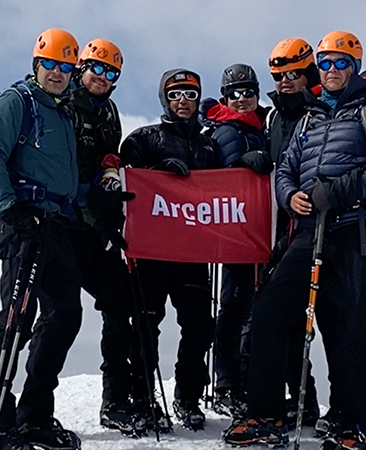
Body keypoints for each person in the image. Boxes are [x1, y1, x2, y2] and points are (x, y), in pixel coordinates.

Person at [224, 30, 366, 450]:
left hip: (361, 225)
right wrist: (291, 196)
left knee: (352, 323)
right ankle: (265, 412)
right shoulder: (311, 117)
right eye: (325, 63)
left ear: (355, 67)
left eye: (341, 63)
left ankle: (352, 423)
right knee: (271, 309)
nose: (332, 71)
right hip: (312, 227)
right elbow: (286, 168)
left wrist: (341, 189)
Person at [0, 28, 83, 450]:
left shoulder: (61, 111)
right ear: (37, 63)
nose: (57, 73)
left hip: (57, 226)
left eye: (65, 67)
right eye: (51, 64)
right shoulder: (15, 102)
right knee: (17, 321)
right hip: (23, 223)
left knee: (64, 317)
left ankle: (34, 418)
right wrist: (11, 210)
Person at [119, 69, 219, 431]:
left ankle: (188, 396)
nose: (183, 101)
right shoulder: (145, 137)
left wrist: (249, 166)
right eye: (175, 94)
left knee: (199, 326)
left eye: (190, 95)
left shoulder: (210, 145)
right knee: (146, 325)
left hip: (193, 252)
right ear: (165, 99)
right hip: (152, 251)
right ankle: (143, 397)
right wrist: (156, 169)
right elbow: (125, 174)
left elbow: (227, 189)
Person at [63, 38, 147, 437]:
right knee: (56, 320)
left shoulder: (109, 111)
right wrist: (89, 201)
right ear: (81, 68)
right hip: (63, 225)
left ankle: (115, 401)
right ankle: (25, 413)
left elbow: (107, 158)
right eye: (96, 68)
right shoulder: (64, 105)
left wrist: (113, 172)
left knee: (120, 308)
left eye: (111, 73)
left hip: (98, 227)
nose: (102, 77)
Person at [197, 63, 272, 419]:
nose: (242, 100)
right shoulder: (221, 130)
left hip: (263, 230)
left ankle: (247, 381)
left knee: (259, 311)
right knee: (235, 306)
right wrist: (240, 165)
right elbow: (214, 178)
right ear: (225, 97)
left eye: (248, 92)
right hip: (236, 231)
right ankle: (227, 383)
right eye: (235, 93)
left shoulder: (265, 126)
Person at [263, 37, 323, 429]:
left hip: (316, 225)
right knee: (279, 314)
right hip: (278, 228)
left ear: (308, 73)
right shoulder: (273, 117)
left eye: (293, 74)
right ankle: (295, 401)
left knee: (312, 316)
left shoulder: (319, 111)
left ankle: (308, 401)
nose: (285, 82)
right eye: (278, 76)